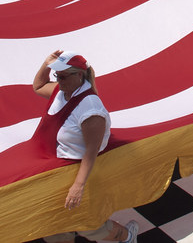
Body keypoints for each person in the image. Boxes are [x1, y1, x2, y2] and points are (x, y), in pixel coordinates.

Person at [31, 51, 139, 243]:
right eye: (57, 76)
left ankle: (127, 236)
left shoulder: (91, 109)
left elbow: (91, 151)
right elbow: (38, 86)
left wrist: (78, 187)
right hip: (57, 167)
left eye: (62, 76)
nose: (59, 80)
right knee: (54, 224)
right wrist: (47, 63)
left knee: (88, 225)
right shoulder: (62, 91)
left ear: (79, 75)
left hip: (76, 171)